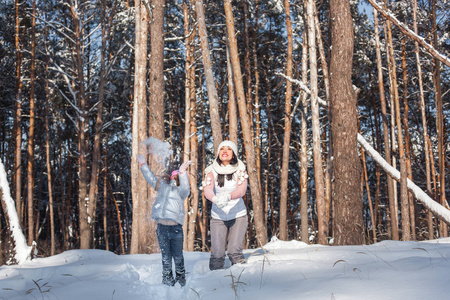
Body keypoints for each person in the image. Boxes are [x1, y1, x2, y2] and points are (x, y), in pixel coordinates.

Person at [137, 154, 191, 286]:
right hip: (161, 227)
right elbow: (150, 179)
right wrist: (143, 165)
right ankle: (167, 278)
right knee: (166, 256)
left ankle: (180, 277)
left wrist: (183, 172)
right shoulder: (162, 186)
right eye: (175, 174)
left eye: (178, 175)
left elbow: (185, 187)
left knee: (177, 256)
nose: (175, 176)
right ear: (170, 176)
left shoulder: (181, 191)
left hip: (176, 228)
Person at [202, 140, 249, 270]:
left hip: (238, 216)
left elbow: (242, 190)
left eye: (229, 149)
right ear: (218, 153)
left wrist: (228, 196)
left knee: (234, 251)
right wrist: (215, 199)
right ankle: (215, 283)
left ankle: (240, 281)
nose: (225, 151)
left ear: (233, 154)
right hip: (218, 217)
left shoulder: (240, 169)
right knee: (217, 254)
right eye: (222, 149)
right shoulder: (211, 170)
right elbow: (207, 189)